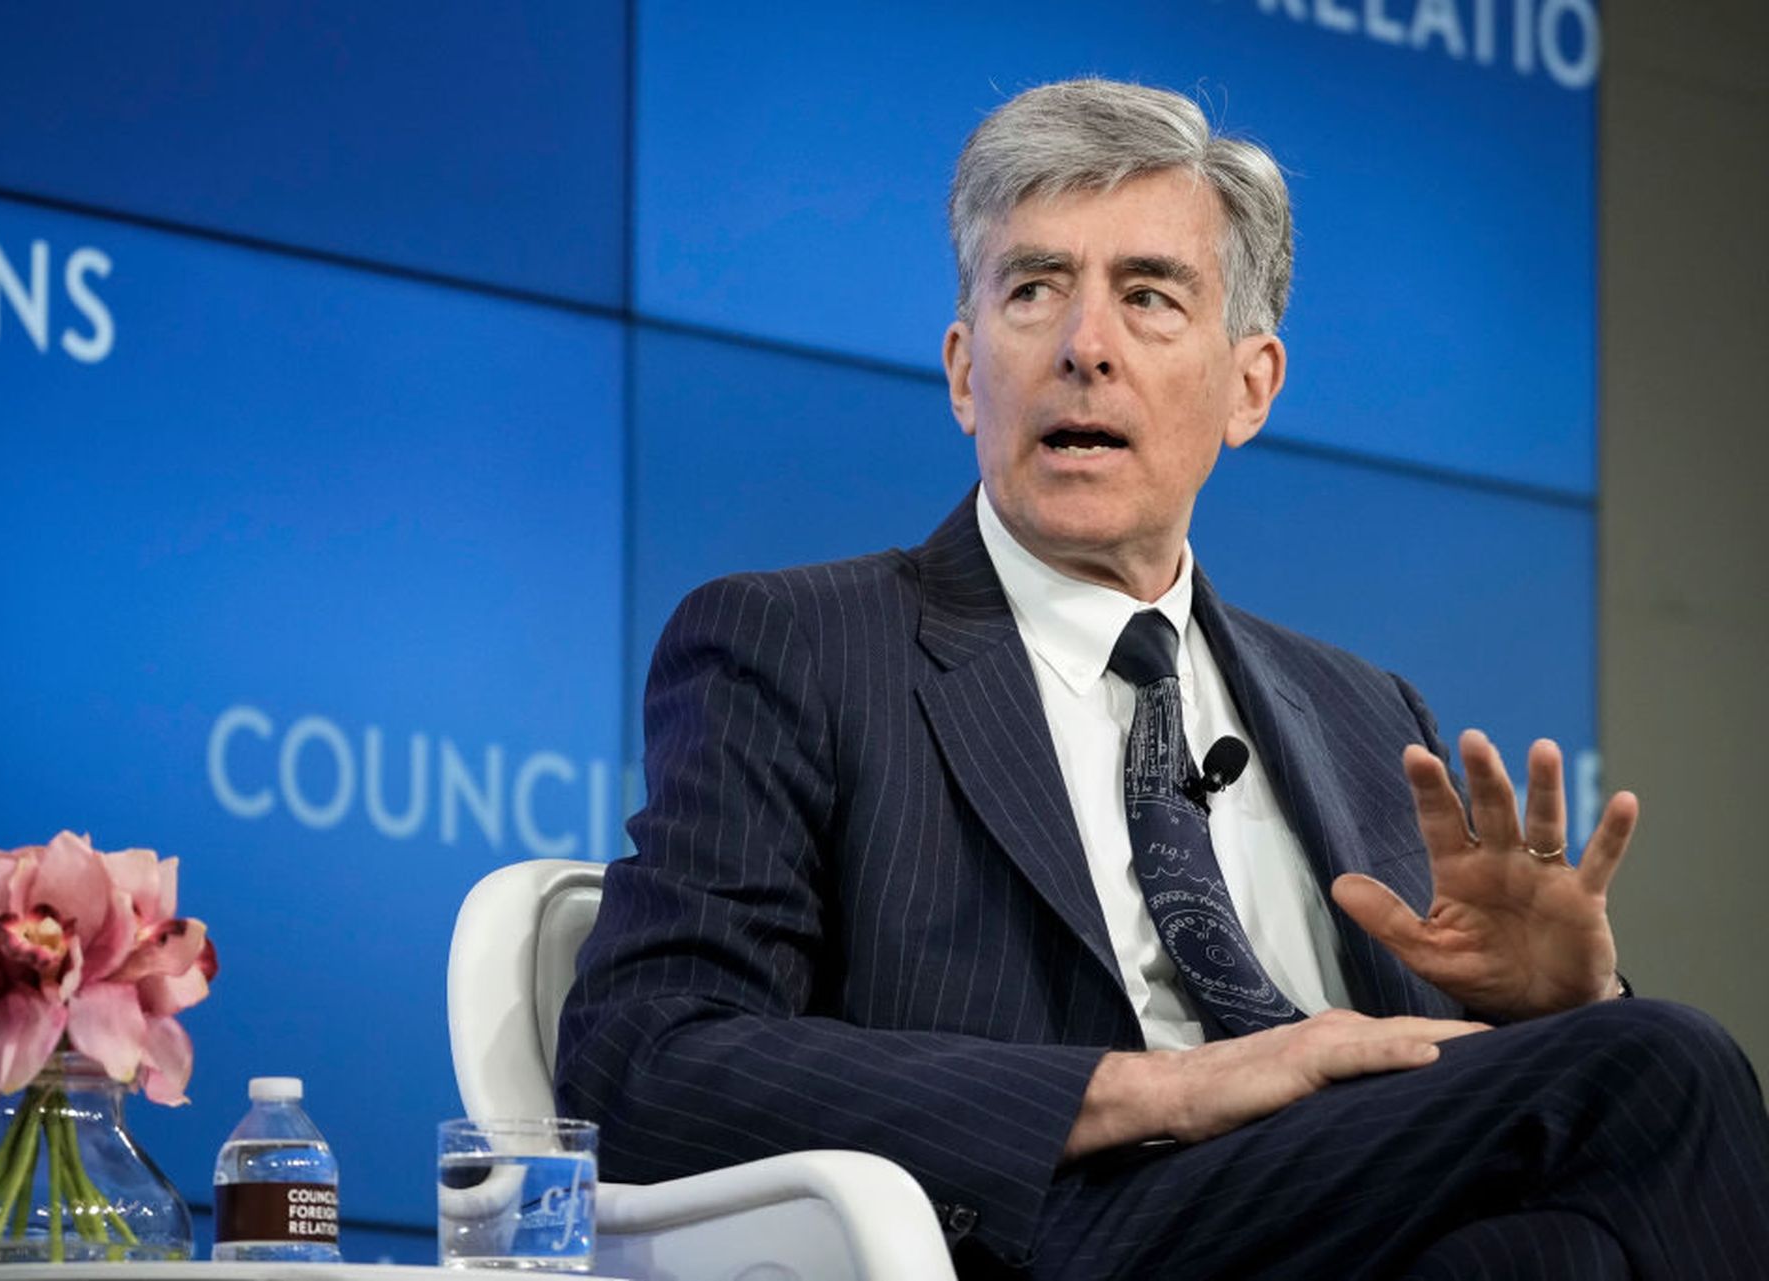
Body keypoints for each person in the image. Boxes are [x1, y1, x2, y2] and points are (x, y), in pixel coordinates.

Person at [555, 79, 1769, 1279]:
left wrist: (1556, 1009)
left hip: (1331, 1230)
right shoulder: (797, 644)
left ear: (1251, 386)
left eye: (1148, 297)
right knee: (1667, 1063)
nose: (1086, 349)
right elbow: (644, 1061)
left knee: (1555, 1252)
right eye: (1035, 290)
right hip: (1057, 1229)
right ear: (967, 370)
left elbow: (1434, 1104)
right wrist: (1160, 1090)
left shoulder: (1361, 712)